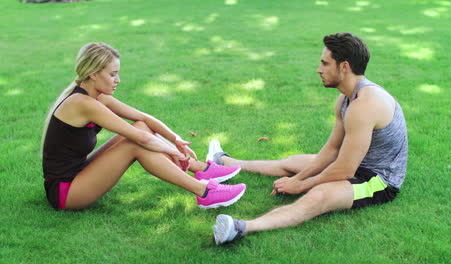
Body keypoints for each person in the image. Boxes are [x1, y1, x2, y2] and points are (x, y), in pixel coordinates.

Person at [209, 32, 408, 244]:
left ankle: (240, 228)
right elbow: (332, 149)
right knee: (294, 163)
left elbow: (345, 169)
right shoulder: (345, 99)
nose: (319, 69)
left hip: (377, 179)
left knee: (320, 195)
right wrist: (297, 178)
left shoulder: (365, 104)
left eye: (325, 63)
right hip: (355, 162)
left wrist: (301, 185)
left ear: (344, 67)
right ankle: (225, 162)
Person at [42, 42, 246, 211]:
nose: (118, 80)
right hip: (65, 192)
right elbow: (142, 139)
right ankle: (205, 192)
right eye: (113, 74)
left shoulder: (97, 97)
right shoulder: (82, 103)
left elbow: (143, 118)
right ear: (94, 74)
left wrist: (175, 140)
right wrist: (174, 152)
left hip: (80, 171)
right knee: (135, 143)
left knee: (139, 126)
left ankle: (202, 170)